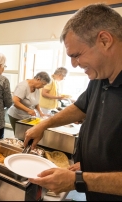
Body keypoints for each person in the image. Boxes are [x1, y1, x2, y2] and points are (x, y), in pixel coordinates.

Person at [23, 3, 122, 201]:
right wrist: (45, 124)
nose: (74, 64)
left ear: (104, 40)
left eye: (76, 55)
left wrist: (79, 180)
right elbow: (80, 108)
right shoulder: (99, 78)